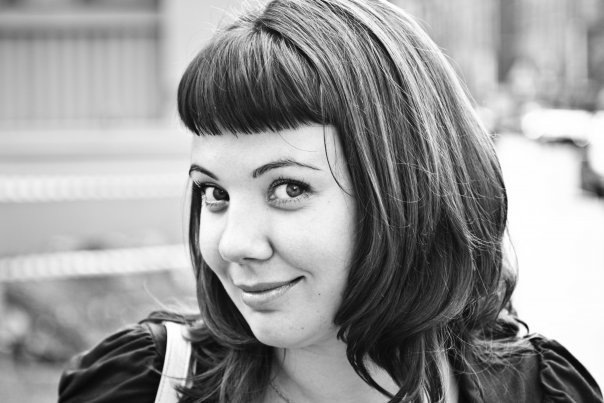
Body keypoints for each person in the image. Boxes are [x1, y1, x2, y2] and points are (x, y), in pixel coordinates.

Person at [58, 0, 603, 402]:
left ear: (409, 193)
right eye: (215, 193)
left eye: (289, 189)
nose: (233, 244)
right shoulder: (144, 384)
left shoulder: (540, 392)